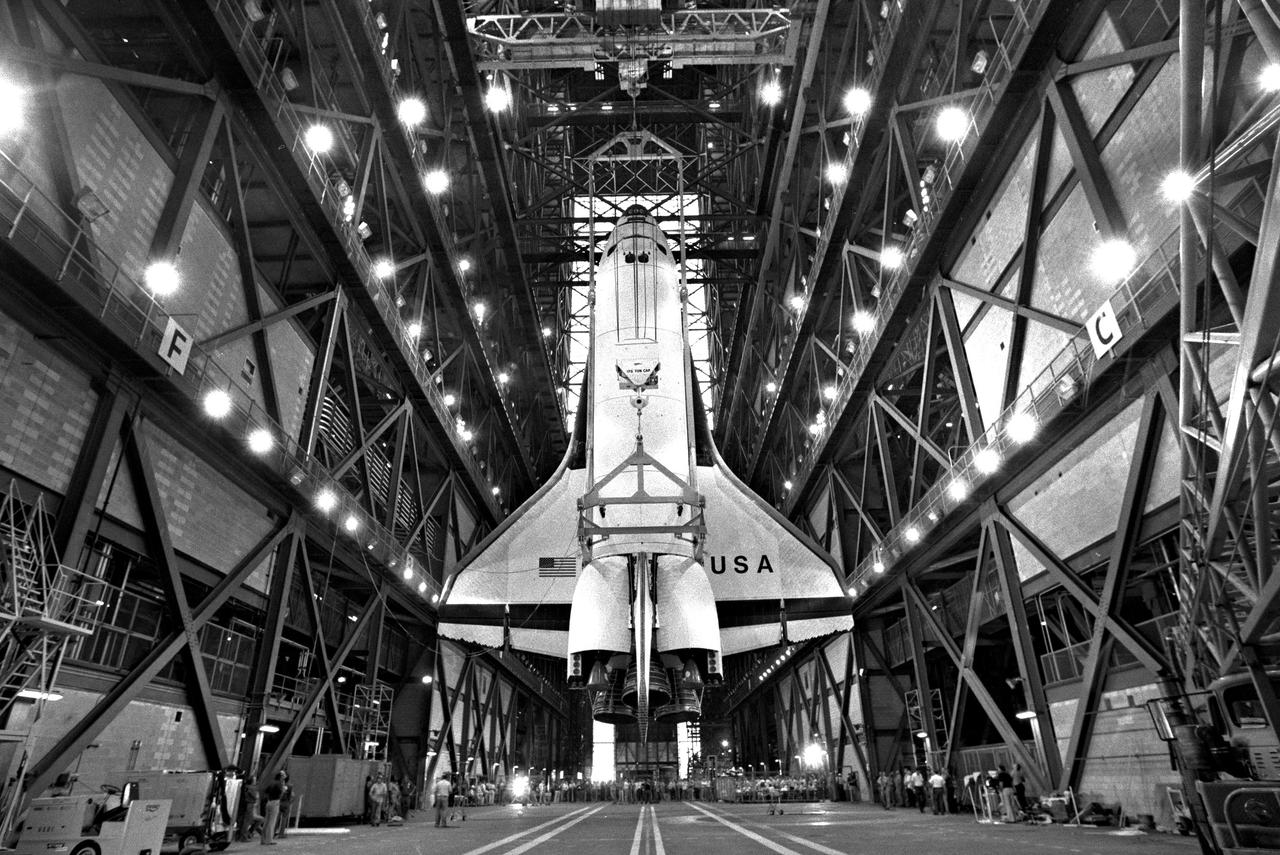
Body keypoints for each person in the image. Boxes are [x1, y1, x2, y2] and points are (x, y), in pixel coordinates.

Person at [237, 775, 263, 841]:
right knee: (247, 821)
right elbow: (256, 796)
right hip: (250, 804)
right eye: (254, 779)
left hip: (247, 805)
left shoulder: (246, 787)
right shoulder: (251, 788)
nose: (255, 781)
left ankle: (245, 834)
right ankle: (244, 836)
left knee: (247, 821)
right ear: (252, 781)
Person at [261, 773, 283, 845]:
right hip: (275, 802)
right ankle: (269, 840)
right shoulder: (279, 784)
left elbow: (266, 791)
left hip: (269, 801)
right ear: (280, 777)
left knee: (266, 821)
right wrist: (283, 790)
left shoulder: (271, 783)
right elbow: (280, 793)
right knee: (272, 822)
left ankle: (263, 839)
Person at [276, 772, 293, 839]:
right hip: (286, 802)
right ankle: (281, 834)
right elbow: (290, 795)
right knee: (284, 819)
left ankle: (273, 832)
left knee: (276, 818)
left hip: (279, 802)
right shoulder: (290, 785)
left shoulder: (279, 784)